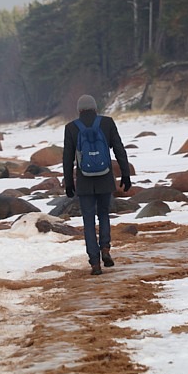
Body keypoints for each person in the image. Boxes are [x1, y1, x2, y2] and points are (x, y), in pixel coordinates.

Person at [63, 94, 132, 275]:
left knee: (88, 220)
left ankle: (94, 262)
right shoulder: (107, 123)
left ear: (79, 110)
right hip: (105, 178)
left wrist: (69, 183)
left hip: (84, 181)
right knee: (103, 215)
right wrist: (125, 174)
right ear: (95, 108)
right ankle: (106, 249)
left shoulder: (71, 128)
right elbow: (119, 148)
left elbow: (67, 158)